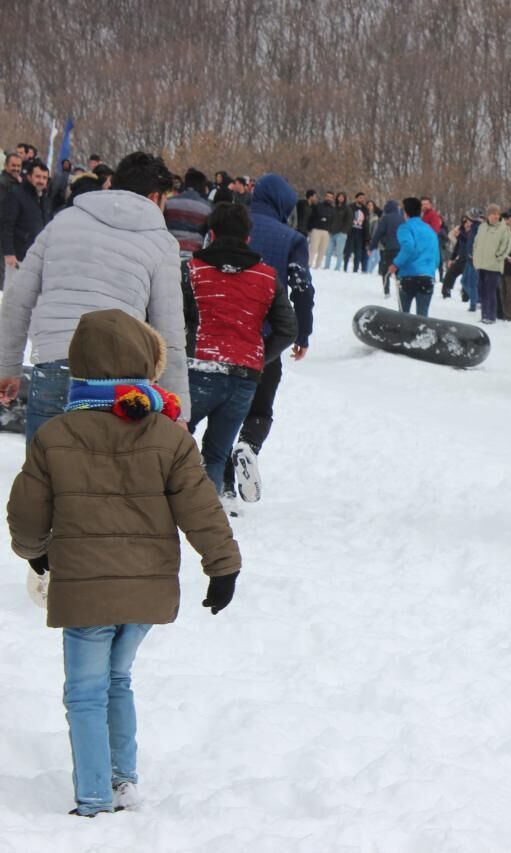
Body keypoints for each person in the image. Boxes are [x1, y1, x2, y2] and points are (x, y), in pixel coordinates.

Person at [6, 307, 241, 817]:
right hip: (145, 589)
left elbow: (25, 512)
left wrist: (36, 552)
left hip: (84, 588)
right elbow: (200, 505)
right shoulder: (168, 434)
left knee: (85, 692)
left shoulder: (55, 435)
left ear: (79, 365)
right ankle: (123, 780)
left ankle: (94, 798)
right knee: (118, 679)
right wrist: (222, 565)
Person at [0, 152, 189, 441]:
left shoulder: (63, 222)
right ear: (155, 197)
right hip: (114, 380)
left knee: (43, 467)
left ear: (113, 183)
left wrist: (7, 366)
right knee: (97, 468)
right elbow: (170, 332)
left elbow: (17, 299)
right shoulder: (161, 243)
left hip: (54, 365)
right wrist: (178, 409)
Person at [182, 203, 297, 497]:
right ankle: (207, 509)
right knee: (217, 453)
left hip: (197, 368)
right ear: (248, 238)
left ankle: (169, 503)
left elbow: (173, 317)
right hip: (243, 376)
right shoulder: (267, 276)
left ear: (211, 234)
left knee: (172, 440)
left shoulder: (191, 270)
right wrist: (259, 357)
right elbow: (287, 329)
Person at [219, 173, 315, 511]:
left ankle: (224, 485)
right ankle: (249, 444)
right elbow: (302, 288)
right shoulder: (291, 238)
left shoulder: (230, 224)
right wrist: (302, 333)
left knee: (224, 410)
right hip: (266, 337)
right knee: (259, 407)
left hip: (221, 330)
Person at [388, 197, 439, 317]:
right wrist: (430, 269)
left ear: (405, 213)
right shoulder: (430, 230)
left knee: (403, 316)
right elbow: (436, 257)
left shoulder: (405, 228)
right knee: (422, 317)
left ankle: (403, 330)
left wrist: (396, 264)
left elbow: (408, 247)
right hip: (427, 276)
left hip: (409, 275)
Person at [1, 158, 52, 274]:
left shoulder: (44, 199)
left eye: (44, 178)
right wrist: (9, 253)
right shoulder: (16, 195)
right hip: (17, 256)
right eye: (38, 177)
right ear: (29, 177)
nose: (41, 181)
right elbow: (6, 225)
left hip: (36, 256)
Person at [163, 168, 213, 262]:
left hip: (169, 253)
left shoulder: (169, 203)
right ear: (202, 186)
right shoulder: (207, 208)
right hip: (193, 256)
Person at [472, 203, 511, 324]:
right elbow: (476, 243)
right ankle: (484, 315)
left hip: (493, 266)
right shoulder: (482, 227)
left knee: (491, 291)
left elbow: (506, 246)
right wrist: (475, 256)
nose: (496, 216)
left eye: (498, 214)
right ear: (488, 215)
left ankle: (491, 316)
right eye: (493, 213)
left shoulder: (504, 229)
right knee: (482, 291)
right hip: (481, 264)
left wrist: (498, 256)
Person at [370, 198, 404, 297]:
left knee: (386, 271)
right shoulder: (402, 219)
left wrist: (372, 246)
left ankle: (386, 291)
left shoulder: (385, 218)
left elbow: (378, 233)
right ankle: (400, 291)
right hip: (400, 249)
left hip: (389, 248)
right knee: (399, 271)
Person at [323, 191, 351, 270]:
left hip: (341, 234)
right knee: (328, 251)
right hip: (332, 233)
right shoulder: (334, 208)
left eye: (342, 197)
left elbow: (349, 222)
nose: (340, 198)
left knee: (339, 252)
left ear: (344, 198)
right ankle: (326, 266)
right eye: (339, 196)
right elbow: (330, 219)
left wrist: (344, 231)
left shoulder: (347, 209)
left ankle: (337, 268)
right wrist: (329, 229)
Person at [307, 191, 335, 268]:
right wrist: (310, 227)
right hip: (316, 230)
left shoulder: (333, 209)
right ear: (325, 197)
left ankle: (318, 266)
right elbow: (312, 217)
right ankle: (309, 264)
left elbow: (333, 220)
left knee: (322, 250)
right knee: (313, 249)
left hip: (326, 232)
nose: (329, 198)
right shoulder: (318, 206)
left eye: (330, 197)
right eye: (327, 196)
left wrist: (330, 230)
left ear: (332, 199)